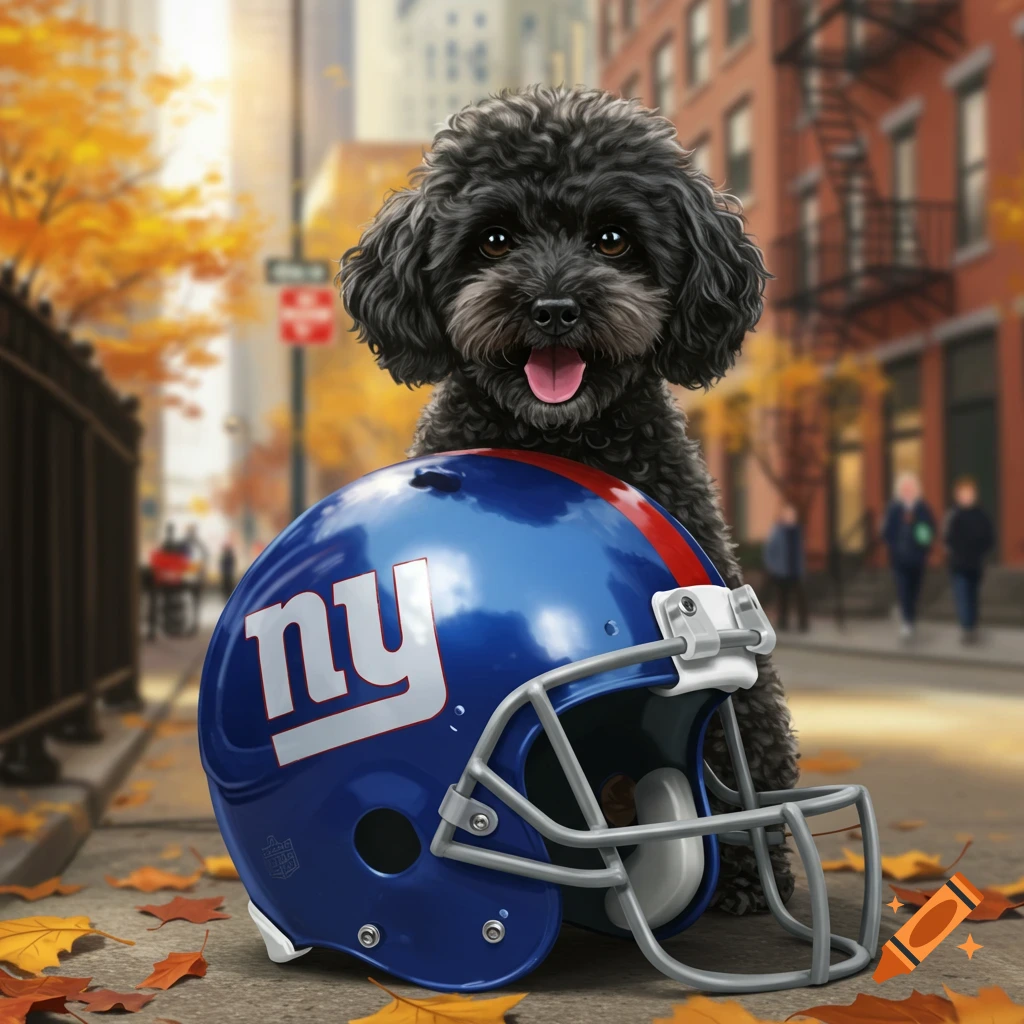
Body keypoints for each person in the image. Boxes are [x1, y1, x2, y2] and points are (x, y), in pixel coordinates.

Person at [882, 471, 935, 640]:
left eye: (910, 487)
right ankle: (907, 622)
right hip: (899, 558)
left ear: (916, 489)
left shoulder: (922, 508)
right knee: (903, 589)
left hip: (917, 558)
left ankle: (909, 615)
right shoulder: (894, 508)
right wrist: (893, 545)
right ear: (899, 490)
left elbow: (929, 531)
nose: (907, 490)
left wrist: (922, 540)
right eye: (904, 488)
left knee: (914, 591)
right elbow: (886, 531)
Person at [943, 476, 994, 644]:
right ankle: (967, 629)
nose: (966, 496)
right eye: (963, 494)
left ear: (974, 495)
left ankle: (972, 625)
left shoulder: (981, 515)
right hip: (958, 565)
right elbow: (946, 538)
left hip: (975, 564)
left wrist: (982, 553)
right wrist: (954, 552)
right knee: (962, 596)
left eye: (969, 493)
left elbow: (989, 537)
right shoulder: (953, 515)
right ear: (957, 496)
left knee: (973, 597)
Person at [762, 503, 808, 632]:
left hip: (796, 570)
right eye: (788, 515)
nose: (790, 517)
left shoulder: (798, 531)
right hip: (782, 571)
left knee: (801, 598)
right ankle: (783, 623)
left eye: (792, 515)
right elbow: (769, 551)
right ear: (783, 517)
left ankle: (803, 624)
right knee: (783, 598)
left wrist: (802, 567)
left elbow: (801, 551)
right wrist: (773, 567)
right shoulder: (777, 531)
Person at [183, 523, 209, 636]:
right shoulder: (191, 545)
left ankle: (193, 625)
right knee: (191, 603)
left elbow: (203, 561)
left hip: (194, 578)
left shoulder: (195, 545)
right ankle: (191, 625)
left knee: (193, 603)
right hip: (190, 578)